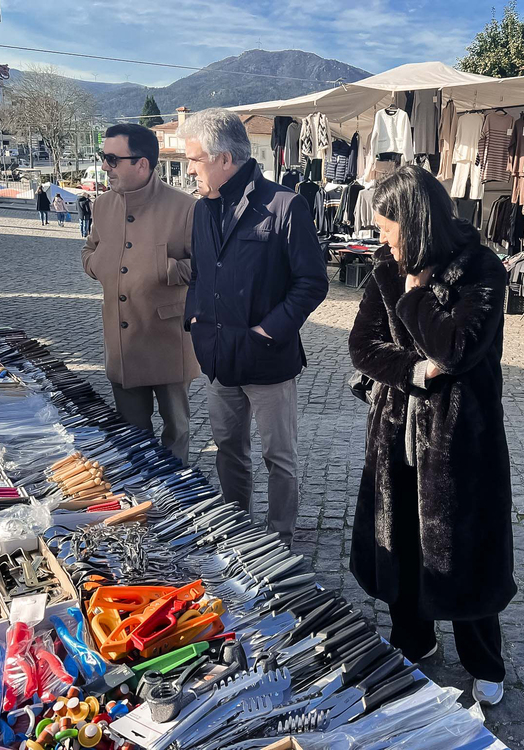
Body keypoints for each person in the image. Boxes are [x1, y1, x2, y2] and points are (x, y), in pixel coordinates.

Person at [348, 166, 515, 706]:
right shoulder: (383, 269)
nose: (382, 240)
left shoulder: (480, 269)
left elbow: (459, 350)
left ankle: (483, 662)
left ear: (414, 224)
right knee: (399, 536)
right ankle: (412, 639)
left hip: (461, 435)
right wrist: (415, 373)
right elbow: (362, 347)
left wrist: (418, 298)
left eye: (388, 229)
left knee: (463, 549)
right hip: (396, 425)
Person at [182, 108, 327, 547]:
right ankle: (237, 530)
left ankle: (280, 538)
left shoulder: (284, 205)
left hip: (268, 361)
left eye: (195, 160)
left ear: (224, 158)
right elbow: (202, 273)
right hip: (219, 356)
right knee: (229, 451)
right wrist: (196, 321)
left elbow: (312, 281)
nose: (189, 170)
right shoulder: (202, 209)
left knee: (278, 456)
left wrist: (268, 331)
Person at [81, 123, 199, 465]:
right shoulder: (102, 205)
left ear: (142, 164)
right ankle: (143, 488)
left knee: (177, 429)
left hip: (168, 338)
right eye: (104, 158)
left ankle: (177, 488)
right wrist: (99, 264)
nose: (105, 166)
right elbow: (90, 251)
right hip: (122, 341)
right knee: (132, 431)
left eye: (112, 159)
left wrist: (167, 268)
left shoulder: (185, 207)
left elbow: (206, 268)